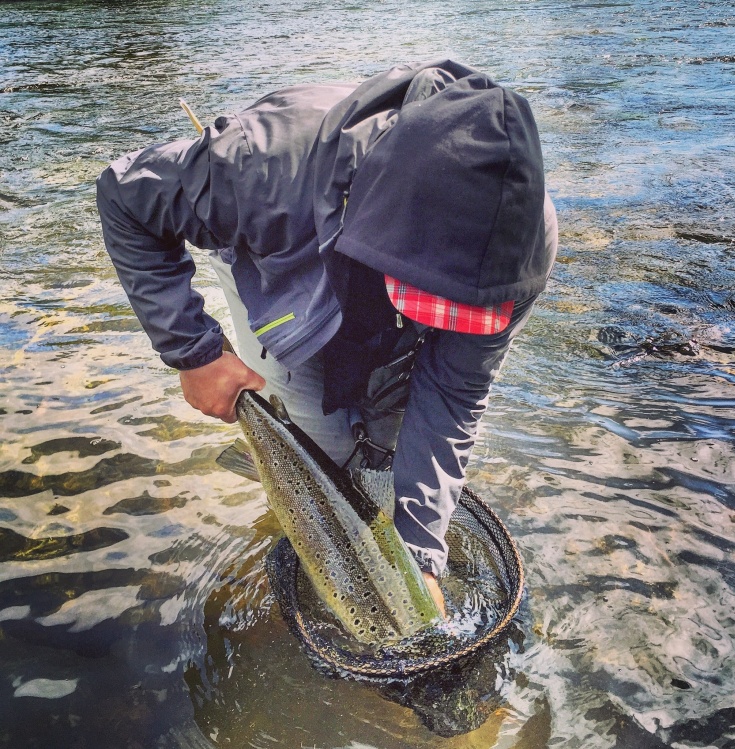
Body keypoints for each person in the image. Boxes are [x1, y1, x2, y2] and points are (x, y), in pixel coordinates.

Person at [96, 60, 558, 612]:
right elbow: (124, 197)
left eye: (455, 313)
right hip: (285, 263)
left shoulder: (520, 251)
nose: (438, 324)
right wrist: (193, 351)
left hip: (368, 263)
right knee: (324, 454)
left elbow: (454, 392)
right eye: (428, 302)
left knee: (384, 452)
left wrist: (420, 552)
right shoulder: (261, 164)